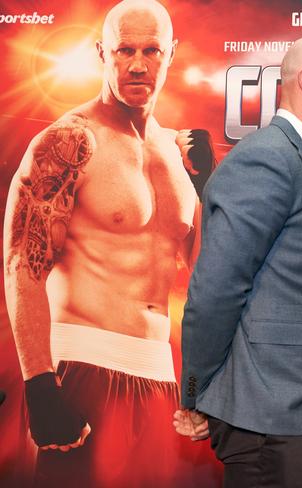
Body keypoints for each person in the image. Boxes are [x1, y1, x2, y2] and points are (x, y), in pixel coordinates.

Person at [3, 0, 213, 486]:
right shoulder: (69, 141)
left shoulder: (174, 155)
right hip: (84, 369)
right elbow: (22, 263)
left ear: (171, 55)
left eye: (151, 50)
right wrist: (39, 385)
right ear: (102, 53)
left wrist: (207, 196)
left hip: (160, 379)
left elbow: (198, 275)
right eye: (124, 50)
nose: (137, 64)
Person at [173, 36, 302, 487]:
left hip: (292, 411)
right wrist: (196, 393)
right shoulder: (268, 158)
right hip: (265, 416)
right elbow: (215, 289)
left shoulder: (296, 158)